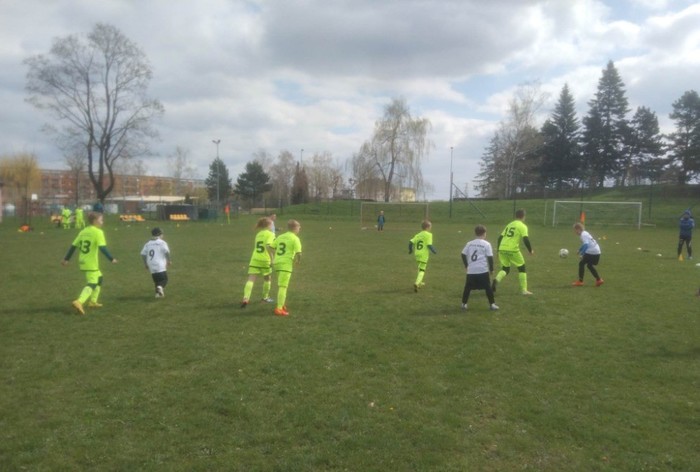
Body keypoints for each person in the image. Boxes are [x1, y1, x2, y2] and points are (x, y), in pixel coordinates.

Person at [61, 212, 118, 314]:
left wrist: (66, 259)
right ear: (95, 221)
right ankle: (79, 301)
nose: (102, 222)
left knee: (99, 278)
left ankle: (93, 302)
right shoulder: (98, 232)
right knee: (92, 282)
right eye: (101, 220)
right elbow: (102, 248)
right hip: (91, 262)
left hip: (83, 261)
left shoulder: (83, 231)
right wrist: (111, 258)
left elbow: (73, 246)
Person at [492, 209, 534, 296]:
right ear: (523, 216)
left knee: (505, 269)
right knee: (522, 268)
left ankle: (496, 280)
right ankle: (524, 290)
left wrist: (498, 250)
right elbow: (525, 239)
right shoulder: (522, 226)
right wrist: (530, 250)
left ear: (516, 216)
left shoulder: (510, 224)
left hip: (502, 248)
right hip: (513, 249)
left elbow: (500, 238)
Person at [461, 224, 498, 311]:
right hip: (482, 270)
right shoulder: (487, 244)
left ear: (475, 233)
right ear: (484, 233)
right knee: (488, 287)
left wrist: (466, 265)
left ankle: (464, 304)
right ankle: (492, 304)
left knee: (467, 287)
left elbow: (463, 254)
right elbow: (490, 257)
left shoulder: (469, 243)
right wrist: (491, 269)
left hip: (471, 270)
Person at [240, 217, 276, 308]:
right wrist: (272, 258)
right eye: (271, 224)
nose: (272, 226)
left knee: (251, 279)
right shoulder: (271, 234)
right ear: (268, 225)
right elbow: (268, 246)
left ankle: (246, 298)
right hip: (265, 259)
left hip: (255, 258)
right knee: (267, 279)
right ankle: (265, 298)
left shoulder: (258, 234)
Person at [271, 219, 302, 316]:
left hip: (277, 263)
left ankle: (282, 303)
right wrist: (298, 261)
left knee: (281, 284)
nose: (300, 228)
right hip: (286, 264)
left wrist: (274, 256)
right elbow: (299, 253)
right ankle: (279, 308)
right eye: (299, 227)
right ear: (295, 228)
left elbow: (271, 247)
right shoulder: (295, 238)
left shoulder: (280, 236)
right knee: (283, 286)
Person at [140, 227, 171, 298]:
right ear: (159, 234)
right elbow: (166, 252)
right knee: (164, 279)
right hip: (159, 264)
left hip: (151, 264)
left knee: (157, 280)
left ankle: (158, 294)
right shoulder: (162, 243)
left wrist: (145, 263)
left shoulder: (148, 243)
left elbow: (143, 254)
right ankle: (160, 287)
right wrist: (169, 260)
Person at [572, 222, 604, 287]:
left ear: (579, 229)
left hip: (592, 251)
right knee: (589, 265)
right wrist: (580, 249)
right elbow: (586, 244)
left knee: (581, 263)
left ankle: (580, 282)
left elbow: (586, 245)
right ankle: (599, 280)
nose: (575, 232)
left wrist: (582, 254)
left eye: (575, 230)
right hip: (597, 252)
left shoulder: (583, 235)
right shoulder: (585, 233)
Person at [409, 220, 437, 292]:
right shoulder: (429, 235)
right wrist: (434, 251)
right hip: (423, 255)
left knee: (420, 267)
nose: (431, 228)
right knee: (422, 270)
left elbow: (411, 242)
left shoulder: (418, 235)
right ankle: (417, 283)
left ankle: (420, 282)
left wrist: (410, 250)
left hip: (417, 254)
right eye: (430, 226)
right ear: (427, 227)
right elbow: (429, 245)